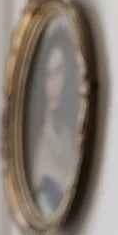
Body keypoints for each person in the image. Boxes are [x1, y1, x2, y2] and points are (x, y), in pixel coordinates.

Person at [31, 37, 76, 216]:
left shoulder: (70, 137)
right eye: (49, 75)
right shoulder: (39, 147)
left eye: (59, 72)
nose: (55, 84)